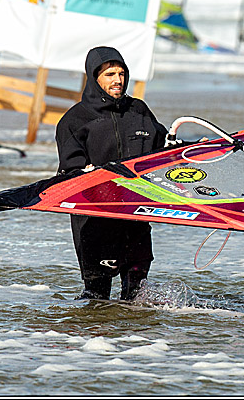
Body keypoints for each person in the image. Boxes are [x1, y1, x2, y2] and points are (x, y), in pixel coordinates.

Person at [54, 46, 169, 301]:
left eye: (121, 73)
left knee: (137, 300)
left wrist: (192, 151)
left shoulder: (138, 110)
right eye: (109, 75)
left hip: (136, 220)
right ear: (94, 78)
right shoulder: (74, 121)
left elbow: (163, 150)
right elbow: (69, 173)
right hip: (95, 225)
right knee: (96, 299)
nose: (118, 80)